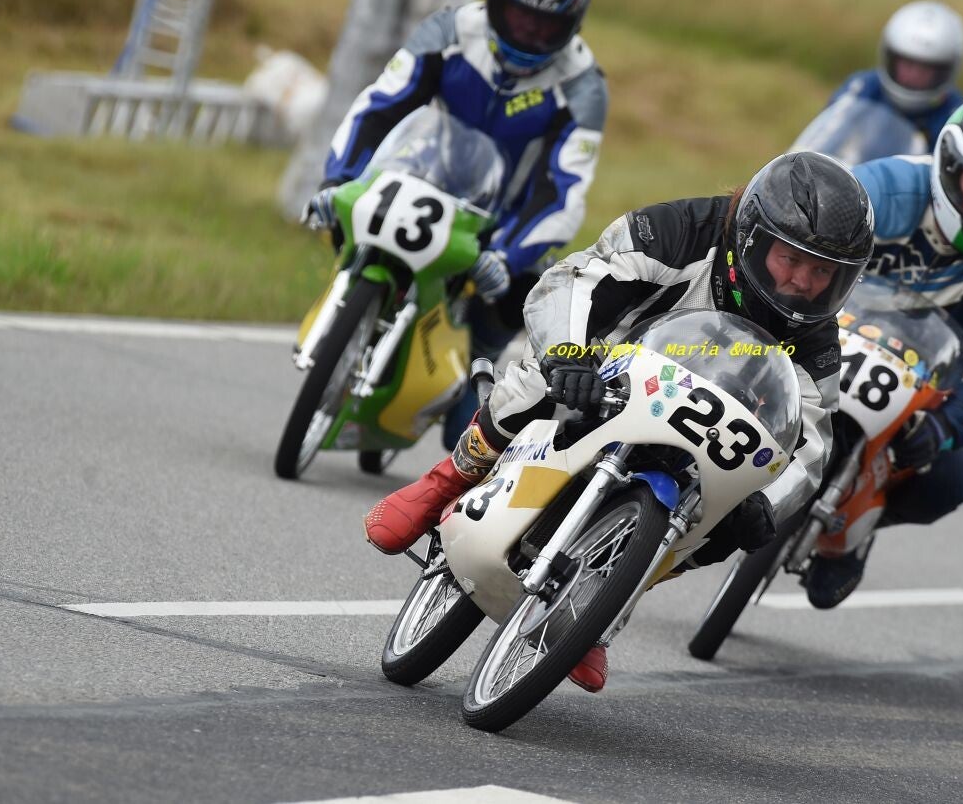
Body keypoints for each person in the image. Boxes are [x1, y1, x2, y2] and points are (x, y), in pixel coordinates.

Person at [365, 151, 876, 690]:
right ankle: (447, 480)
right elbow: (573, 280)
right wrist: (567, 354)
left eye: (824, 272)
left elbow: (813, 443)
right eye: (791, 259)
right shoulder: (679, 230)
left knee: (728, 524)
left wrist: (766, 504)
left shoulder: (816, 336)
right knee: (537, 380)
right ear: (752, 236)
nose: (803, 281)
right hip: (608, 364)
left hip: (704, 431)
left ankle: (603, 604)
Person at [303, 0, 608, 448]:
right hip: (421, 177)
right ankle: (349, 310)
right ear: (494, 1)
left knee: (515, 303)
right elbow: (379, 106)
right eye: (519, 16)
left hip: (505, 224)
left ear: (572, 26)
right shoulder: (448, 31)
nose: (528, 33)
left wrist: (507, 255)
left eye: (545, 25)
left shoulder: (583, 85)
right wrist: (339, 180)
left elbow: (564, 191)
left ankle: (479, 371)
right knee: (344, 216)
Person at [803, 94, 963, 609]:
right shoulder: (879, 190)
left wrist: (946, 427)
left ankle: (856, 530)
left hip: (916, 388)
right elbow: (800, 251)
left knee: (947, 481)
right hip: (817, 336)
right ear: (951, 167)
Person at [794, 0, 963, 161]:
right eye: (907, 64)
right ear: (890, 57)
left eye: (925, 69)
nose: (913, 75)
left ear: (945, 70)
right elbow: (826, 137)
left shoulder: (956, 119)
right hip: (851, 179)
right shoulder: (863, 87)